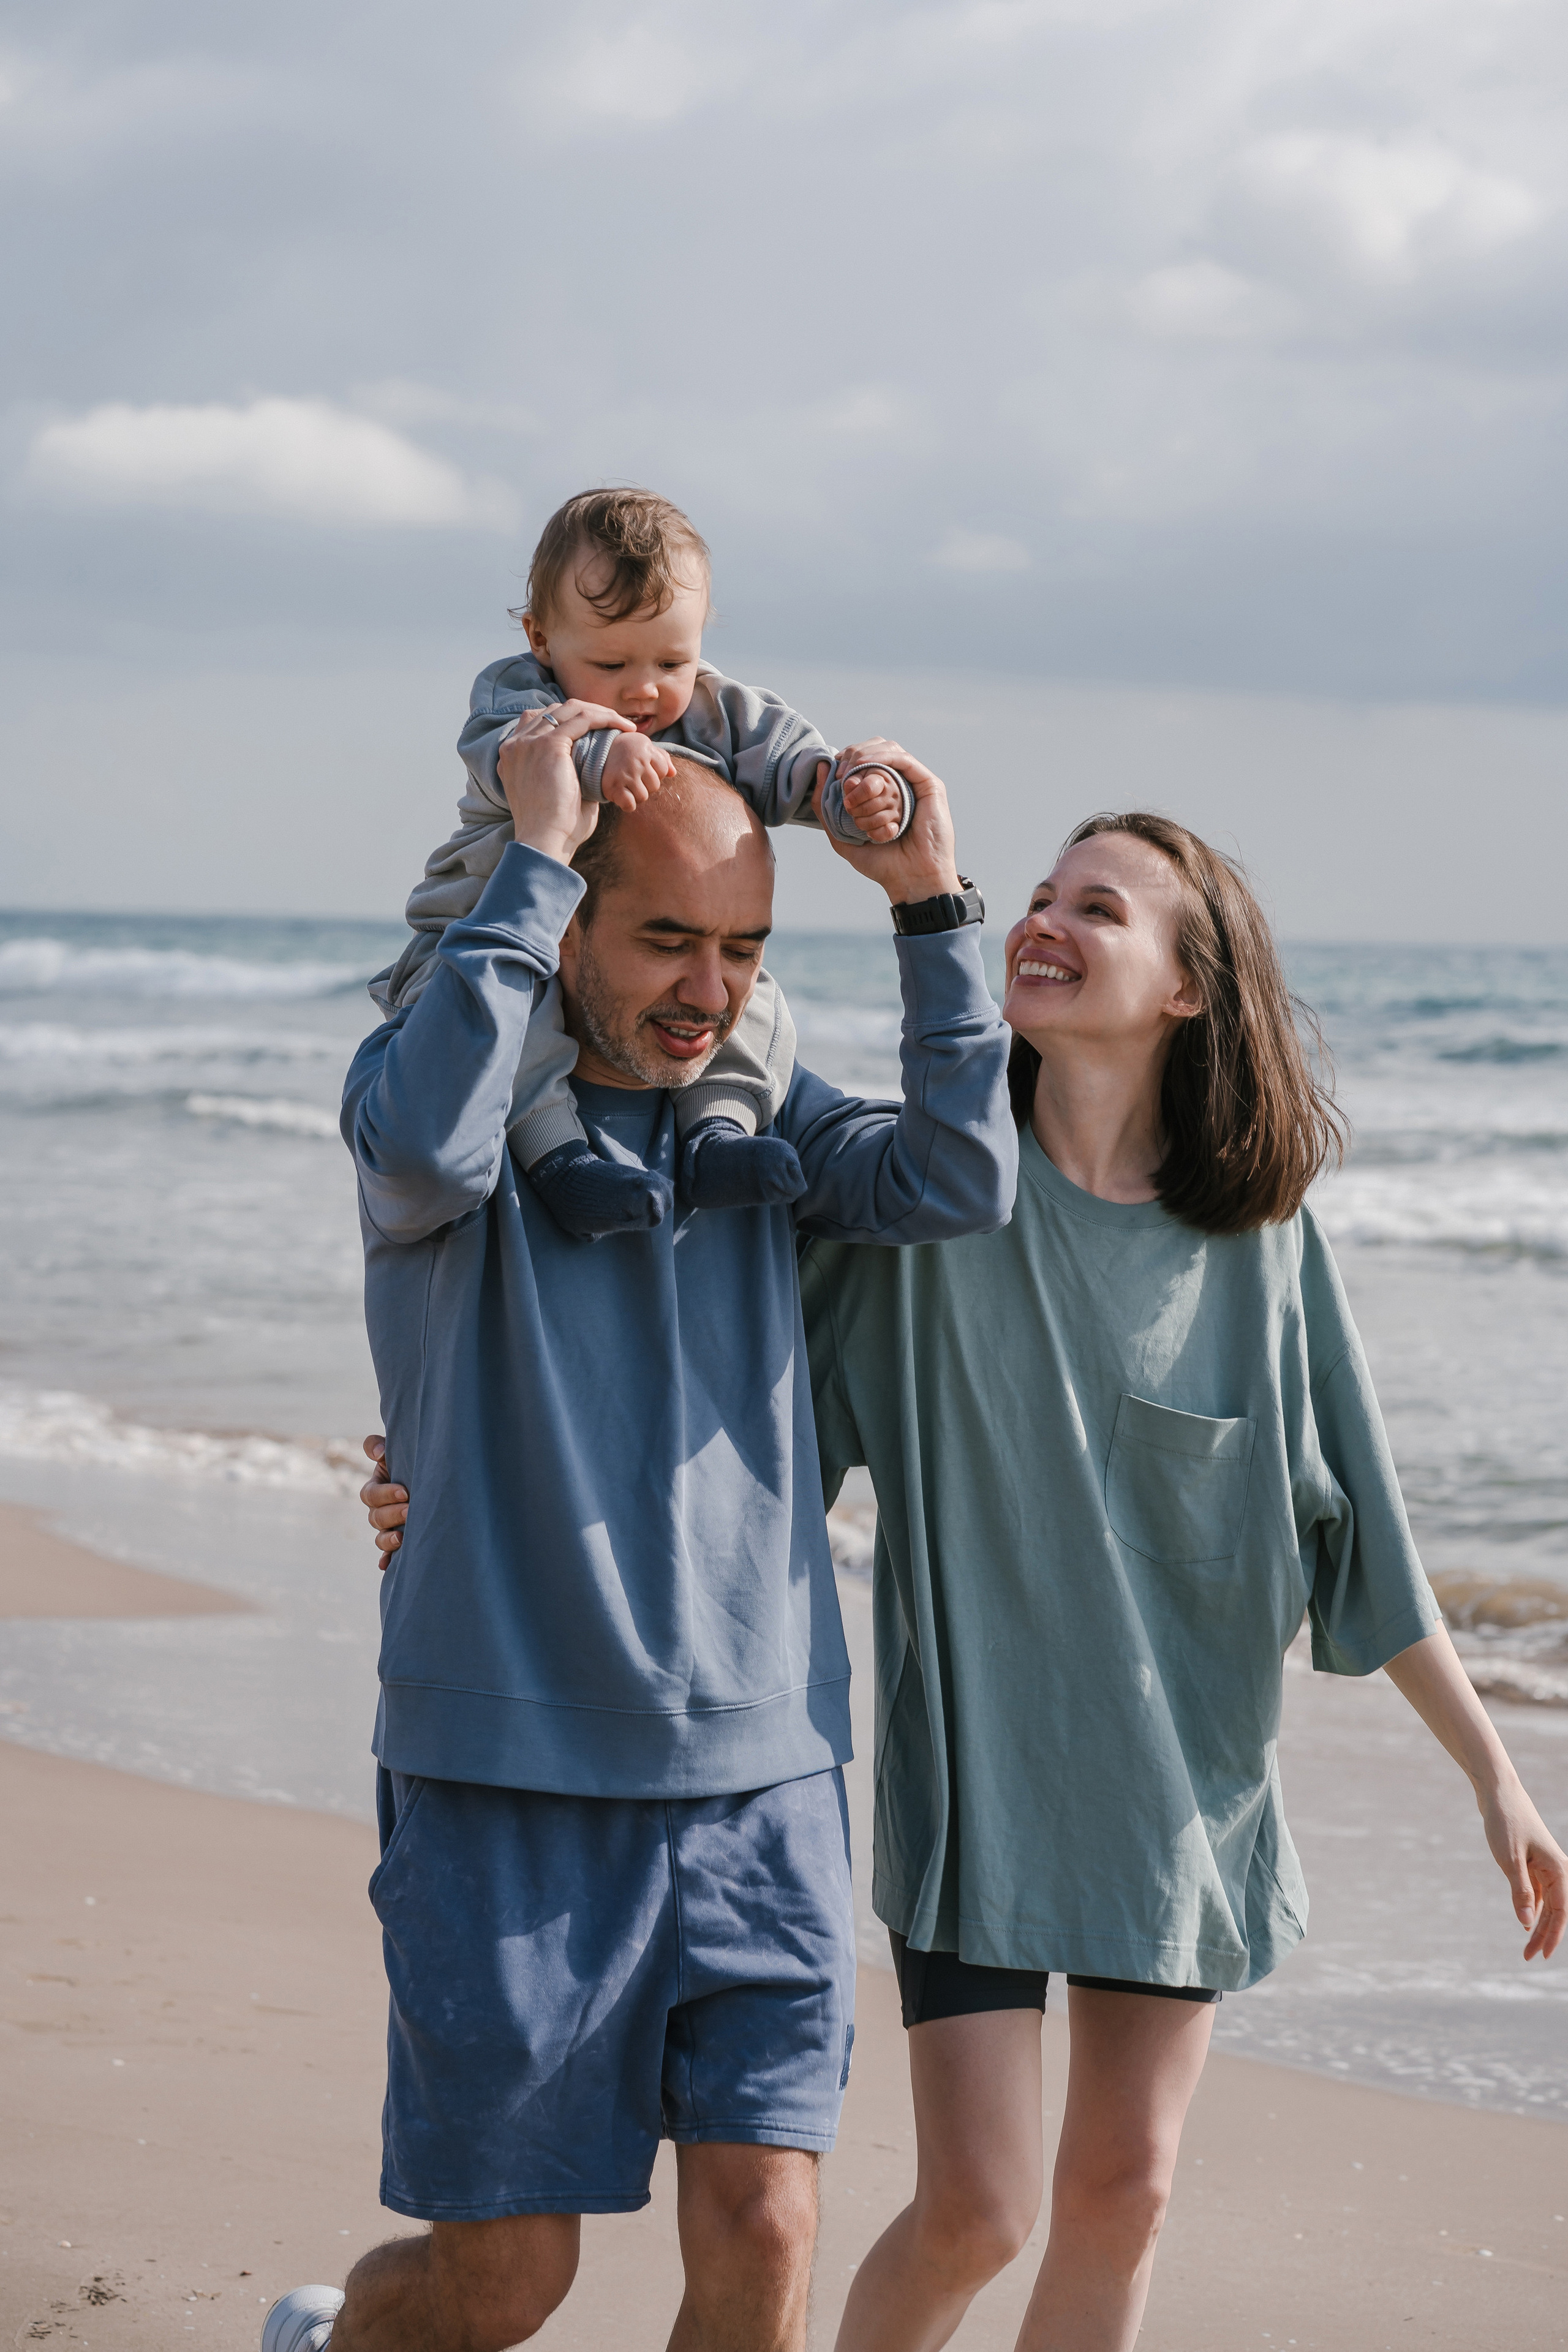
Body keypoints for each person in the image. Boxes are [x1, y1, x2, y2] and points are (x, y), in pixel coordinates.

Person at [263, 716, 1016, 2352]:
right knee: (505, 2286)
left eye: (744, 946)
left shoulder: (768, 1118)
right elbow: (417, 1152)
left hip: (766, 1778)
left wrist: (931, 905)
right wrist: (529, 852)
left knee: (763, 2229)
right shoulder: (441, 1113)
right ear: (563, 927)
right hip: (506, 1788)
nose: (710, 988)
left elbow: (963, 1180)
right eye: (667, 938)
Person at [799, 813, 1568, 2352]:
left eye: (1098, 906)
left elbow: (1363, 1528)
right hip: (977, 1786)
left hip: (1175, 1799)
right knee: (981, 2208)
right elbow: (729, 1441)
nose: (1044, 918)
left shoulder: (1262, 1241)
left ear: (1184, 990)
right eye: (1036, 895)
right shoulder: (928, 1200)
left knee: (1125, 2191)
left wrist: (1494, 1778)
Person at [371, 484, 913, 1242]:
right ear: (540, 638)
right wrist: (598, 751)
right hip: (485, 933)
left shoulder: (711, 708)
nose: (646, 689)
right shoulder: (517, 698)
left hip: (609, 947)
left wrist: (852, 793)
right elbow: (511, 758)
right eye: (611, 662)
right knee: (515, 1024)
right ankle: (561, 1160)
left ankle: (718, 1135)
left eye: (673, 658)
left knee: (745, 997)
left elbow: (787, 759)